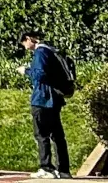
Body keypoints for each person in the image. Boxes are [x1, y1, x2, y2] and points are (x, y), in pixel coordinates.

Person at [22, 30, 75, 179]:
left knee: (41, 135)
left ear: (28, 39)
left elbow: (39, 74)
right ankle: (64, 169)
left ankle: (46, 168)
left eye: (24, 43)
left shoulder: (40, 53)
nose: (25, 47)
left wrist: (25, 71)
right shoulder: (52, 51)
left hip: (42, 99)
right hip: (56, 99)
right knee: (58, 136)